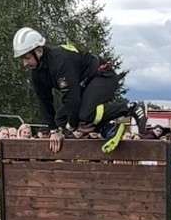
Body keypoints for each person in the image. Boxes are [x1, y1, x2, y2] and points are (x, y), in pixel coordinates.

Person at [12, 27, 147, 153]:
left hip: (102, 76)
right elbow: (44, 101)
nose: (24, 63)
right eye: (22, 59)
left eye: (27, 58)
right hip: (84, 86)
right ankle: (109, 128)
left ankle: (131, 108)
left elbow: (72, 98)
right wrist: (54, 130)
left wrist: (74, 126)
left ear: (39, 51)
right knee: (60, 119)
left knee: (84, 114)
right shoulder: (37, 73)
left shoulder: (60, 62)